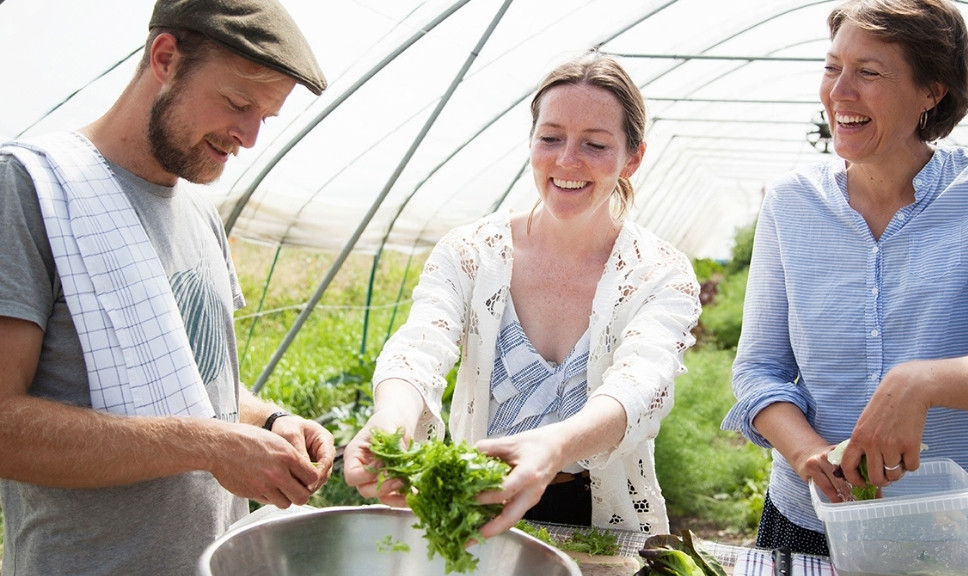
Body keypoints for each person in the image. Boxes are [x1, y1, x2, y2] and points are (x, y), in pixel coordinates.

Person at [0, 1, 337, 574]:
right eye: (238, 103)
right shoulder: (30, 190)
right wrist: (209, 445)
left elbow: (198, 385)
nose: (249, 138)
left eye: (266, 118)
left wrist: (269, 422)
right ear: (165, 57)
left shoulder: (199, 214)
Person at [343, 53, 702, 538]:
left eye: (595, 145)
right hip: (480, 502)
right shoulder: (471, 253)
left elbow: (641, 382)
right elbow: (421, 344)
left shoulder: (658, 273)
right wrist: (392, 417)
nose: (566, 161)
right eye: (550, 138)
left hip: (600, 521)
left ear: (632, 159)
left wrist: (554, 447)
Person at [722, 0, 968, 572]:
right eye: (833, 67)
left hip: (965, 525)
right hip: (812, 520)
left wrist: (921, 383)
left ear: (931, 91)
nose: (840, 91)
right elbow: (757, 369)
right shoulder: (792, 202)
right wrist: (808, 452)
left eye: (869, 72)